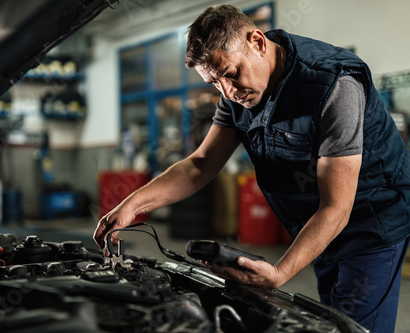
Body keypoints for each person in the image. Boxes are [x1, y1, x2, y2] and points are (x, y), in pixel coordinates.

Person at [94, 5, 410, 332]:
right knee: (331, 320)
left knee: (353, 326)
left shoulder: (334, 85)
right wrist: (132, 205)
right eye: (214, 83)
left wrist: (280, 273)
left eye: (230, 73)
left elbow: (337, 206)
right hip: (318, 222)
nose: (227, 91)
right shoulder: (234, 94)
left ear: (257, 42)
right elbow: (200, 165)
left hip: (372, 219)